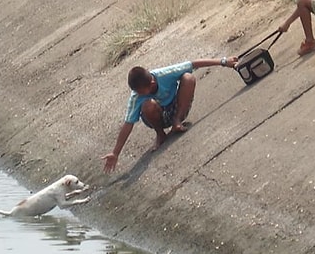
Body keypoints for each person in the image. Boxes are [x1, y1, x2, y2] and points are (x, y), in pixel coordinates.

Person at [101, 57, 238, 173]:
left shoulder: (164, 74)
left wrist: (224, 61)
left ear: (152, 83)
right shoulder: (136, 96)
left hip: (176, 107)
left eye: (142, 91)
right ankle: (160, 134)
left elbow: (193, 64)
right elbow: (128, 124)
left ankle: (177, 122)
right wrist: (115, 153)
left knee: (188, 78)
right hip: (156, 117)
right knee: (147, 105)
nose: (139, 94)